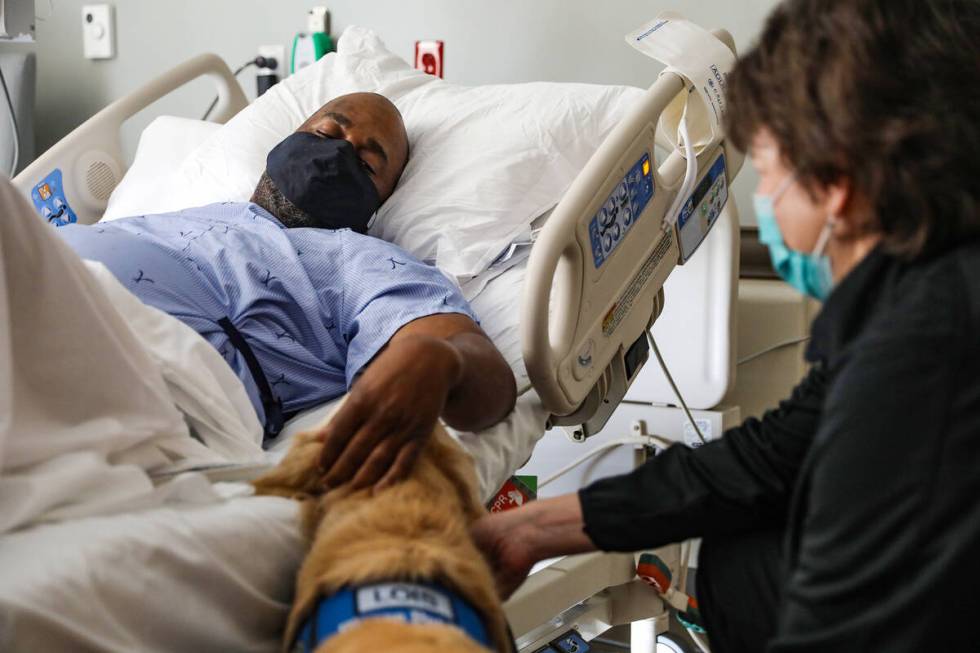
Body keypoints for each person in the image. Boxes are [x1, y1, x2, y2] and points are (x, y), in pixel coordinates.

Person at [471, 1, 980, 651]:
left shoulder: (919, 358)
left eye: (766, 171)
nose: (761, 199)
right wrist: (532, 528)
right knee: (745, 549)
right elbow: (771, 456)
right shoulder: (922, 287)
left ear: (836, 186)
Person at [56, 91, 517, 492]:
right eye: (327, 132)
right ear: (287, 139)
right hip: (44, 281)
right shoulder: (182, 213)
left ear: (378, 201)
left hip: (136, 365)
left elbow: (480, 375)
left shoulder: (361, 260)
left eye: (365, 163)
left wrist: (443, 361)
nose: (338, 153)